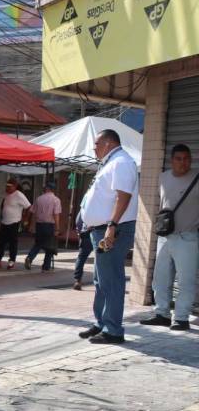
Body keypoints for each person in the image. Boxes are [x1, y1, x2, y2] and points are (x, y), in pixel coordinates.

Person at [79, 129, 139, 344]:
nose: (94, 148)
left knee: (112, 281)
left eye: (96, 143)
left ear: (107, 143)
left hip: (113, 230)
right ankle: (102, 322)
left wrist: (111, 226)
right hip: (100, 230)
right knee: (101, 280)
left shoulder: (121, 162)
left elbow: (123, 196)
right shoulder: (110, 162)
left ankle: (113, 330)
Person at [140, 143, 198, 331]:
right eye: (179, 159)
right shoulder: (163, 177)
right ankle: (162, 314)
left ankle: (181, 318)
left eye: (187, 159)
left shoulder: (197, 178)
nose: (183, 163)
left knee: (185, 280)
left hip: (187, 237)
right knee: (161, 278)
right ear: (172, 160)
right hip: (165, 237)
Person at [0, 179, 30, 270]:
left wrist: (25, 219)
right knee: (0, 242)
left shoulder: (19, 195)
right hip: (4, 222)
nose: (7, 188)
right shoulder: (7, 195)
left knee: (13, 243)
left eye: (9, 186)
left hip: (14, 222)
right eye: (6, 186)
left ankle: (11, 261)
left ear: (15, 186)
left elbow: (28, 206)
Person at [25, 182, 62, 272]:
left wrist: (31, 225)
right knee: (49, 246)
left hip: (39, 225)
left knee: (38, 243)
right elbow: (56, 215)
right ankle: (46, 266)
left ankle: (30, 257)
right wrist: (57, 228)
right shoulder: (56, 200)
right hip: (50, 225)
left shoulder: (38, 199)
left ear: (47, 188)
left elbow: (33, 212)